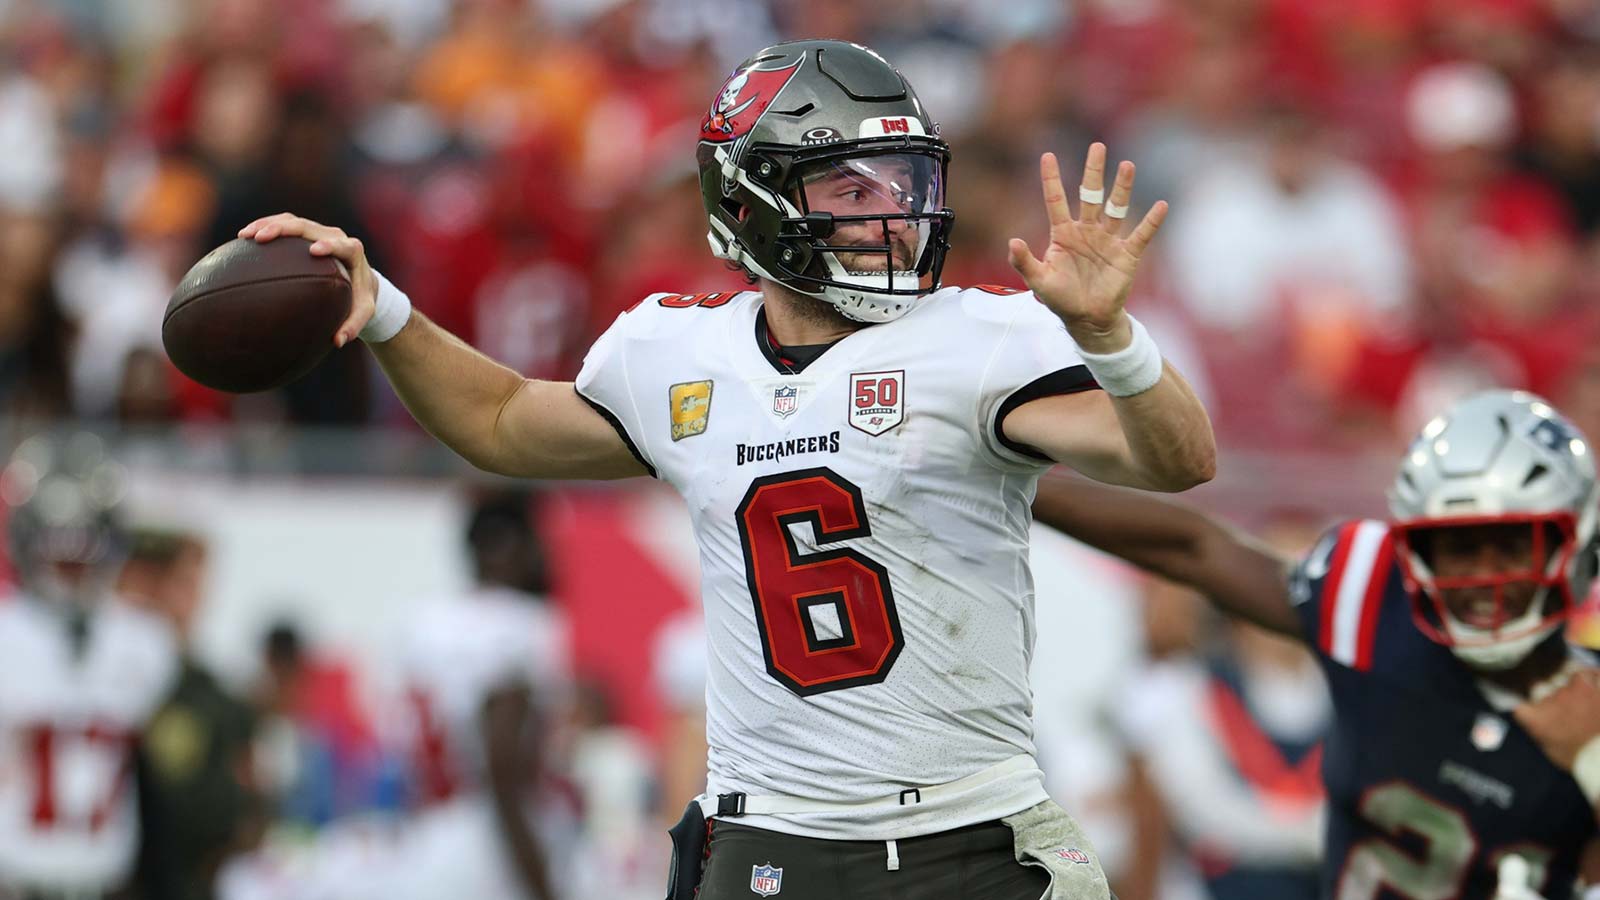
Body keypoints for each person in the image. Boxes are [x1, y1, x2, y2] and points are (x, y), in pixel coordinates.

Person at [238, 38, 1215, 899]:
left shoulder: (977, 339)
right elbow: (498, 419)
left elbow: (1174, 457)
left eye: (901, 182)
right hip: (768, 842)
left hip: (967, 835)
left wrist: (1111, 338)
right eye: (851, 186)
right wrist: (391, 311)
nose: (893, 213)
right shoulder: (674, 356)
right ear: (752, 201)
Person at [1030, 389, 1600, 900]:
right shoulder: (1374, 605)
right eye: (1458, 547)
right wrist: (1016, 483)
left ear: (1575, 544)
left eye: (1510, 546)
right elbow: (1194, 549)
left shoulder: (1591, 711)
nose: (1484, 578)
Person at [0, 434, 179, 899]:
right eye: (59, 552)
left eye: (82, 553)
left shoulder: (144, 641)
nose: (71, 565)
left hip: (108, 881)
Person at [392, 488, 571, 900]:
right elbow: (503, 767)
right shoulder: (519, 625)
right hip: (490, 855)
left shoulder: (423, 621)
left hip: (424, 843)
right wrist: (543, 887)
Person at [119, 527, 260, 900]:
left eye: (187, 583)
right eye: (156, 582)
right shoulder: (93, 689)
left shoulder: (215, 698)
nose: (175, 598)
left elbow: (244, 810)